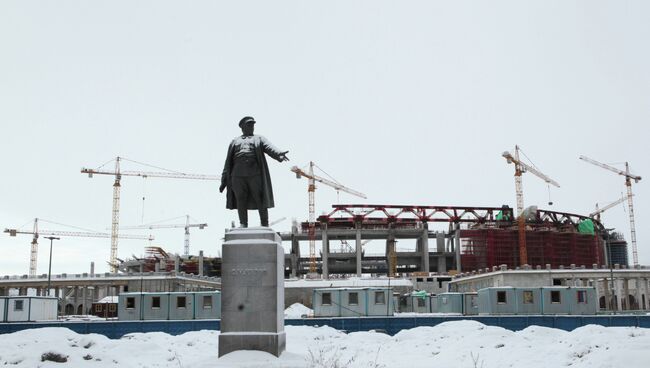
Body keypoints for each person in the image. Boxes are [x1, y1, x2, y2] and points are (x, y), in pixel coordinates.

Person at [219, 116, 289, 227]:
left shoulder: (259, 138)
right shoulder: (234, 141)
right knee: (240, 199)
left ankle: (264, 223)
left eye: (252, 125)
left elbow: (269, 147)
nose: (251, 127)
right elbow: (227, 161)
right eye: (249, 124)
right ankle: (243, 223)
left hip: (254, 173)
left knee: (259, 198)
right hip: (237, 175)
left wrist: (279, 154)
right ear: (242, 127)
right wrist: (223, 180)